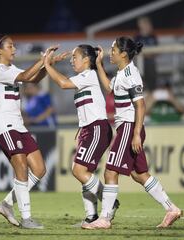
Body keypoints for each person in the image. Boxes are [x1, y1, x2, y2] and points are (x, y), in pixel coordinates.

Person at [82, 37, 182, 229]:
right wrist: (99, 64)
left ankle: (104, 218)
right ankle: (171, 209)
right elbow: (109, 88)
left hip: (129, 127)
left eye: (113, 49)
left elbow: (141, 105)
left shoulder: (131, 74)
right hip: (127, 127)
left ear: (123, 54)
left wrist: (136, 134)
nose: (110, 52)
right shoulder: (121, 73)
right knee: (139, 174)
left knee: (110, 171)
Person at [0, 34, 65, 229]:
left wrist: (48, 64)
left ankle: (7, 204)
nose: (14, 49)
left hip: (18, 125)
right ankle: (26, 218)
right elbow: (26, 76)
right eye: (10, 46)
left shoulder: (10, 69)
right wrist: (43, 60)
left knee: (39, 169)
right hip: (3, 125)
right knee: (21, 167)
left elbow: (33, 79)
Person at [43, 44, 119, 226]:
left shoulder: (89, 75)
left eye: (75, 56)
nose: (71, 60)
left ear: (86, 59)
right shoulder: (83, 77)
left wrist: (47, 65)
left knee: (78, 170)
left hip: (97, 129)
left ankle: (110, 202)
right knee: (85, 173)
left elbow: (62, 84)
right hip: (89, 130)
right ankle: (91, 217)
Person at [134, 16, 158, 92]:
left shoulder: (153, 37)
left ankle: (151, 92)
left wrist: (148, 54)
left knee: (151, 83)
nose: (149, 26)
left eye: (148, 24)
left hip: (150, 64)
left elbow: (157, 50)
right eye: (146, 24)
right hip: (139, 64)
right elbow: (135, 51)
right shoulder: (137, 37)